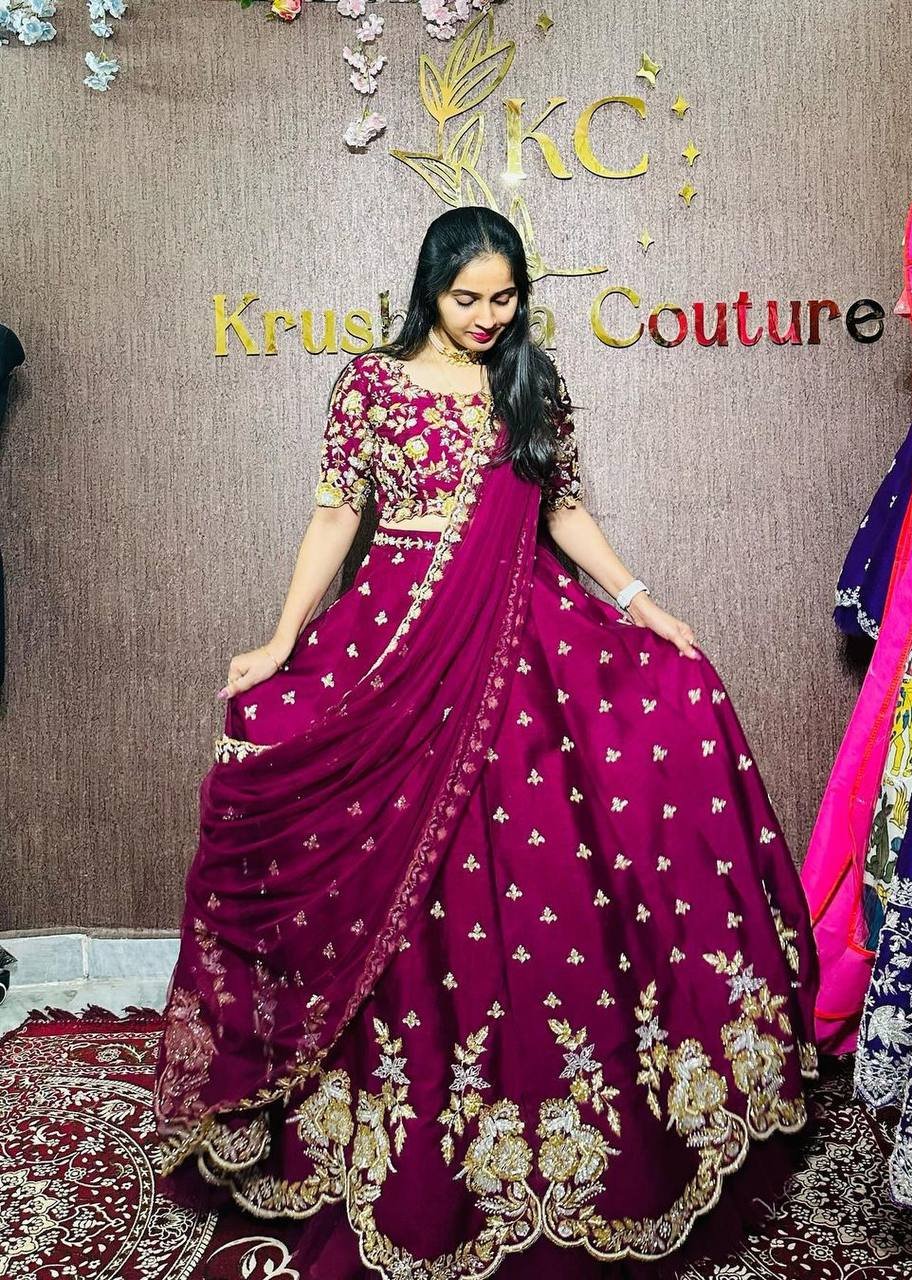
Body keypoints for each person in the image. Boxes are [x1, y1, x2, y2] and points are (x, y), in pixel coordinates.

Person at [152, 206, 818, 1279]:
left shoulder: (529, 383)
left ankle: (557, 1129)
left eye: (504, 298)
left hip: (518, 633)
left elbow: (561, 512)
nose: (486, 316)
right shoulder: (370, 384)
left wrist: (642, 603)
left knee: (549, 857)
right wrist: (280, 639)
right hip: (400, 636)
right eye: (468, 298)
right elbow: (336, 517)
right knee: (375, 854)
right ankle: (377, 1134)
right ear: (431, 287)